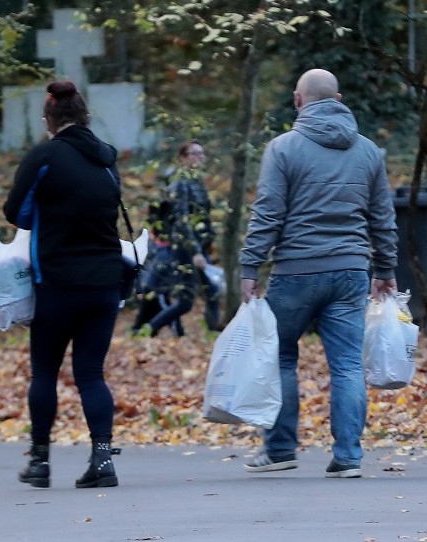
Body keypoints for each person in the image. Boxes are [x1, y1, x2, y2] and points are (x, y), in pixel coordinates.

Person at [239, 68, 398, 479]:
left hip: (295, 272)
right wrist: (386, 268)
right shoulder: (367, 152)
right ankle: (348, 456)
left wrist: (250, 265)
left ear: (298, 100)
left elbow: (268, 212)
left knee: (280, 355)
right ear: (339, 99)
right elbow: (383, 218)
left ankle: (279, 450)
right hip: (350, 270)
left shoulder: (283, 148)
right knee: (346, 364)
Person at [2, 80, 124, 489]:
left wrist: (47, 216)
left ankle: (39, 462)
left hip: (56, 283)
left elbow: (16, 212)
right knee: (91, 373)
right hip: (106, 283)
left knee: (45, 372)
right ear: (86, 116)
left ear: (48, 121)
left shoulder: (44, 156)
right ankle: (103, 461)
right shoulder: (107, 160)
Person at [133, 141, 219, 337]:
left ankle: (212, 335)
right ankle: (146, 330)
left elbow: (202, 218)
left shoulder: (197, 183)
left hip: (198, 246)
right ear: (184, 158)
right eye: (195, 153)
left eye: (202, 154)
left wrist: (207, 241)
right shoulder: (180, 184)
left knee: (210, 292)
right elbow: (182, 221)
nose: (200, 158)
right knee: (187, 301)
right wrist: (196, 251)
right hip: (185, 248)